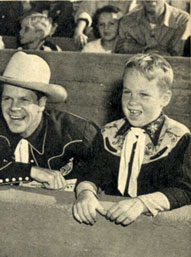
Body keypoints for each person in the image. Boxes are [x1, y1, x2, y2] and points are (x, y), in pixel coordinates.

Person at [73, 53, 191, 226]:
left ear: (164, 98)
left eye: (144, 95)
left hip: (160, 230)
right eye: (127, 92)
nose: (132, 102)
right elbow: (91, 173)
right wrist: (85, 194)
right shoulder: (108, 133)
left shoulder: (180, 137)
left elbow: (185, 190)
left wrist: (142, 203)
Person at [0, 51, 98, 190]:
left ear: (41, 103)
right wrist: (30, 171)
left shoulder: (77, 133)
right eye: (7, 98)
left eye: (24, 100)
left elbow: (102, 173)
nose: (14, 107)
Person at [115, 0, 190, 56]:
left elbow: (177, 56)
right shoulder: (127, 21)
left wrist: (139, 49)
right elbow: (123, 54)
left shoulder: (182, 20)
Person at [73, 0, 139, 49]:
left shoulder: (133, 2)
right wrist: (79, 32)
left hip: (121, 39)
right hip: (98, 37)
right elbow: (85, 13)